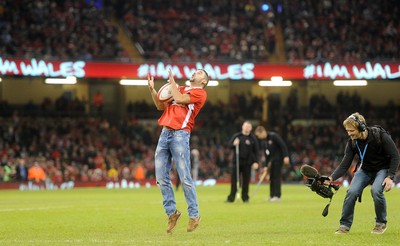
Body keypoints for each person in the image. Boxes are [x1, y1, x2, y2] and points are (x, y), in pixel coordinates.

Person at [148, 68, 208, 234]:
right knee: (161, 177)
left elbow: (180, 99)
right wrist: (153, 90)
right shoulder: (179, 88)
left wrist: (172, 82)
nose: (196, 73)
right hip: (165, 133)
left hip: (180, 135)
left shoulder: (200, 93)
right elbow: (160, 105)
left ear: (204, 81)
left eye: (200, 73)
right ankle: (172, 213)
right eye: (196, 71)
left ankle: (194, 215)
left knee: (184, 176)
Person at [325, 112, 399, 234]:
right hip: (365, 170)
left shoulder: (380, 135)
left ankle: (380, 224)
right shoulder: (352, 142)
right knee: (351, 192)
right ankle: (344, 226)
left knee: (375, 191)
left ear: (361, 127)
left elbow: (395, 156)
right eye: (347, 131)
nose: (349, 134)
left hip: (382, 169)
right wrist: (331, 177)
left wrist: (390, 176)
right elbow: (344, 165)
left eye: (351, 131)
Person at [225, 121, 259, 203]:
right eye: (245, 126)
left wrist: (256, 162)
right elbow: (229, 146)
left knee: (246, 180)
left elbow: (256, 151)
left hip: (248, 162)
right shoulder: (237, 136)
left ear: (251, 128)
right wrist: (234, 144)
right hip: (237, 162)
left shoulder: (253, 138)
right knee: (234, 180)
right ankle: (231, 197)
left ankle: (245, 197)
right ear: (242, 127)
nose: (247, 128)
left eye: (248, 126)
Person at [254, 125, 290, 202]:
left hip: (278, 160)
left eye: (258, 135)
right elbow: (267, 155)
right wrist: (266, 166)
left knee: (276, 177)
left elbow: (283, 145)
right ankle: (272, 196)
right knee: (271, 178)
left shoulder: (273, 136)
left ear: (262, 132)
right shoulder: (264, 142)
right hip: (271, 162)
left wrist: (286, 156)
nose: (258, 137)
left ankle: (277, 196)